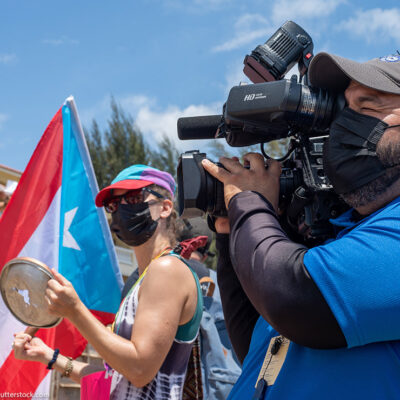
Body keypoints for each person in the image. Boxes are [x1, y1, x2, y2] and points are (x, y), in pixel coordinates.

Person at [202, 52, 400, 399]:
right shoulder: (339, 235)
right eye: (343, 110)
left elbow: (294, 299)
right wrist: (232, 233)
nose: (345, 124)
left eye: (367, 106)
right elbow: (260, 347)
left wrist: (249, 203)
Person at [13, 164, 203, 400]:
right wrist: (50, 357)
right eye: (113, 205)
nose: (120, 210)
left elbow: (139, 370)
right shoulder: (146, 277)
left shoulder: (166, 269)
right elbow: (118, 376)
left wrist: (75, 311)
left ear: (164, 208)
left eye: (133, 198)